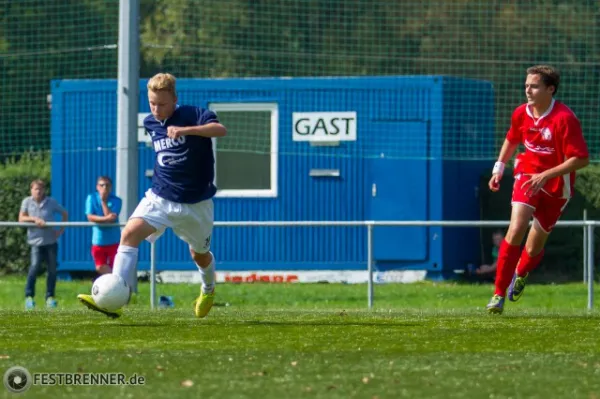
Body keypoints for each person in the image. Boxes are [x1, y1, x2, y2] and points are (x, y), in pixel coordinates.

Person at [77, 72, 227, 318]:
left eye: (162, 104)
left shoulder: (192, 114)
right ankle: (114, 297)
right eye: (152, 103)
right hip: (160, 197)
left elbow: (220, 130)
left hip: (196, 204)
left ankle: (208, 289)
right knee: (129, 234)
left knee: (198, 254)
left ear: (175, 99)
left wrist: (186, 130)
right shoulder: (150, 122)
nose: (156, 109)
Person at [486, 65, 589, 314]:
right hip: (527, 177)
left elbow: (581, 159)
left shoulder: (564, 118)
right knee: (517, 227)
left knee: (533, 248)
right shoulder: (522, 113)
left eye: (534, 86)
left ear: (550, 89)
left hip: (557, 186)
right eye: (526, 86)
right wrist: (499, 167)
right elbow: (512, 137)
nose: (528, 91)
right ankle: (498, 295)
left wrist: (548, 174)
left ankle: (521, 274)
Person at [19, 179, 69, 310]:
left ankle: (50, 298)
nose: (38, 191)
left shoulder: (51, 202)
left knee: (52, 270)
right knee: (34, 267)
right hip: (35, 242)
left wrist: (60, 231)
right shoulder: (27, 202)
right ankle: (29, 297)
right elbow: (21, 218)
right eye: (36, 189)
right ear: (31, 190)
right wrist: (34, 219)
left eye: (41, 189)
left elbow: (65, 213)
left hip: (51, 242)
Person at [85, 176, 122, 275]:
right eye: (102, 185)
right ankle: (113, 283)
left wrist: (104, 202)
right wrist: (106, 219)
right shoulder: (91, 198)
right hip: (98, 241)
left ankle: (118, 285)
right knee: (100, 267)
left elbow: (112, 219)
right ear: (97, 187)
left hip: (114, 241)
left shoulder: (117, 200)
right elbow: (90, 217)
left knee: (116, 268)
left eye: (107, 185)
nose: (104, 188)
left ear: (111, 187)